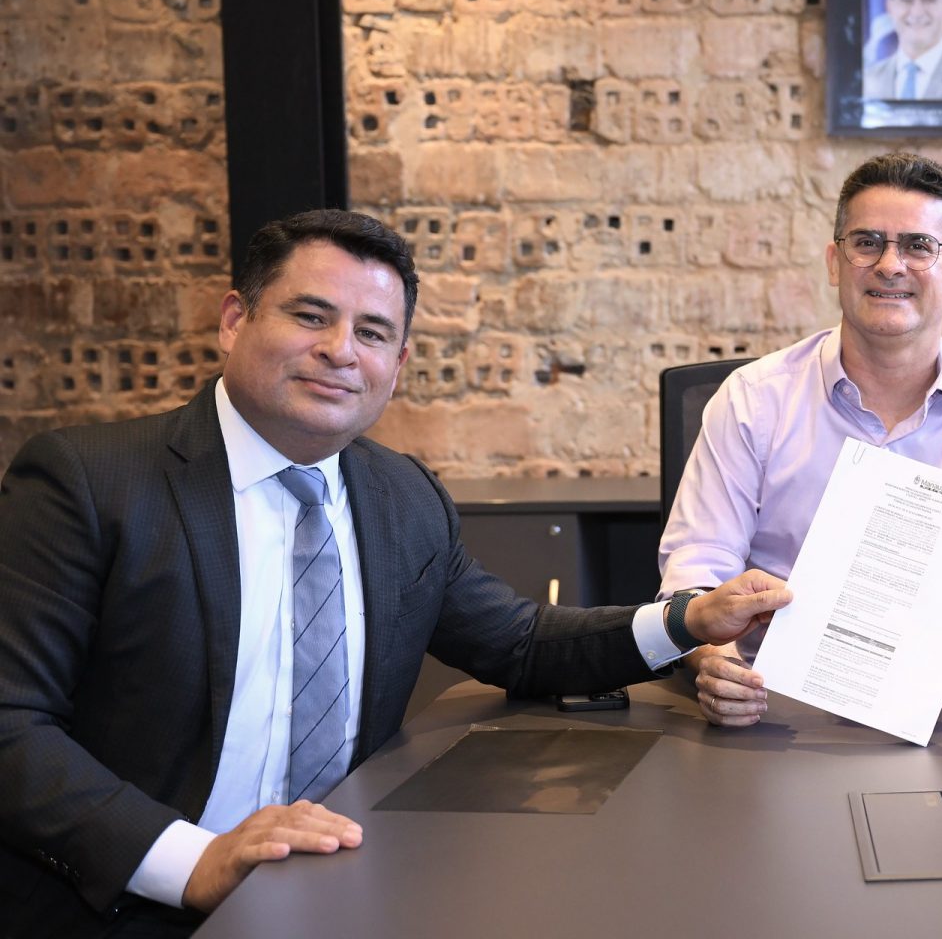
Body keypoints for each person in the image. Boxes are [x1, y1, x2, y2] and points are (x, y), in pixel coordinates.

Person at [0, 210, 791, 937]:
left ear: (398, 362)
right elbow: (12, 722)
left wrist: (687, 619)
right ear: (235, 320)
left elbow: (519, 643)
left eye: (372, 332)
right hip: (135, 903)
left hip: (345, 888)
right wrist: (191, 861)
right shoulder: (90, 483)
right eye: (310, 316)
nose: (341, 350)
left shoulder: (401, 497)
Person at [660, 152, 942, 727]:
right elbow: (696, 571)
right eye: (867, 243)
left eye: (920, 246)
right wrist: (715, 663)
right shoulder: (753, 401)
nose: (890, 265)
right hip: (771, 711)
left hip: (937, 719)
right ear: (835, 262)